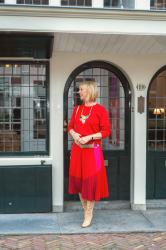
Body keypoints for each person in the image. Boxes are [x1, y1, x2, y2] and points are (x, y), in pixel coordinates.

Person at [68, 81, 111, 228]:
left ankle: (89, 213)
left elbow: (106, 131)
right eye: (79, 90)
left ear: (90, 91)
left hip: (94, 151)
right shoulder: (77, 109)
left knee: (91, 182)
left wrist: (90, 136)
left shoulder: (100, 110)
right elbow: (70, 127)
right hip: (77, 150)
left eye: (82, 90)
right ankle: (85, 210)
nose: (79, 92)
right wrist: (74, 135)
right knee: (80, 181)